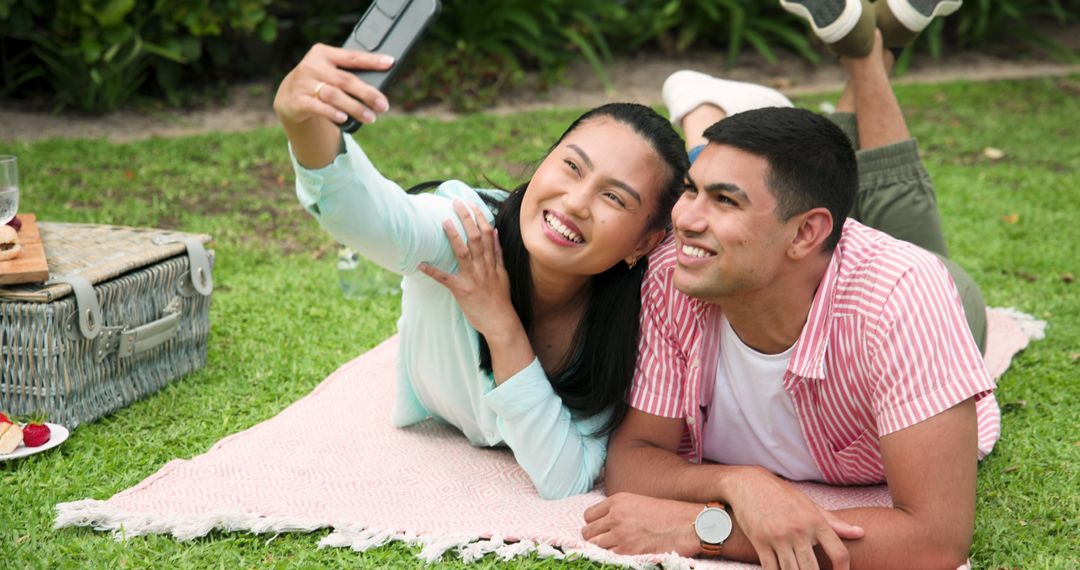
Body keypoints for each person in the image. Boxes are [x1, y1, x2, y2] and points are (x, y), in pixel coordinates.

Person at [582, 5, 998, 570]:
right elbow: (632, 458)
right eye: (691, 190)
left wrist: (706, 529)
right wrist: (743, 484)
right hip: (819, 255)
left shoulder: (905, 298)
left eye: (724, 200)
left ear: (807, 232)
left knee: (907, 221)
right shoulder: (676, 275)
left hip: (927, 291)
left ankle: (868, 55)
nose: (686, 220)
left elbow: (934, 540)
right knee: (818, 172)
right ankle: (871, 49)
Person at [273, 44, 689, 499]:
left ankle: (702, 112)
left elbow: (564, 477)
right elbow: (367, 214)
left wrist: (500, 325)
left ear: (644, 244)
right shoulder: (467, 232)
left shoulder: (640, 316)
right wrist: (302, 122)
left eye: (614, 198)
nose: (574, 202)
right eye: (571, 166)